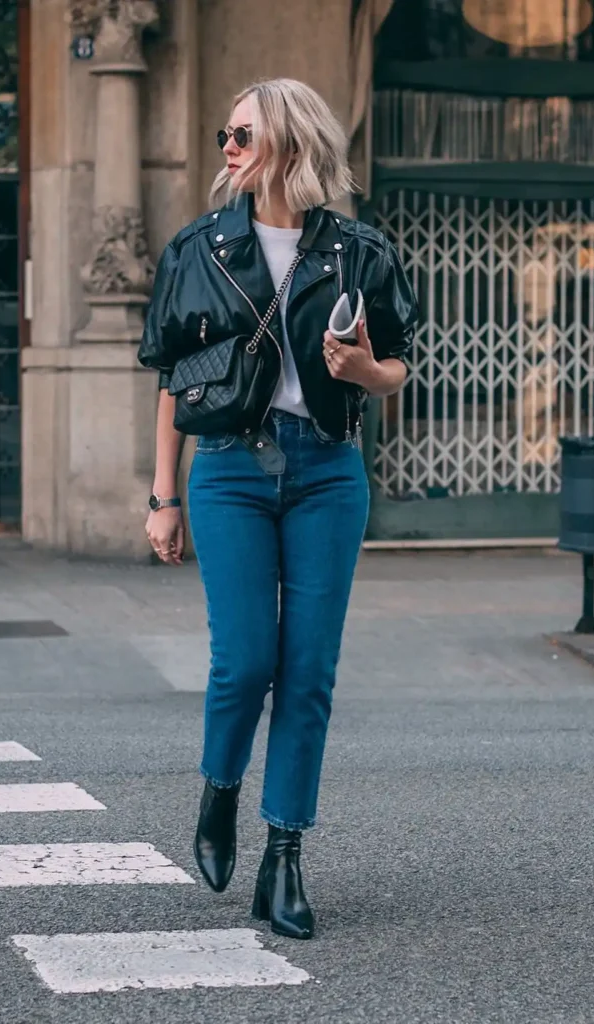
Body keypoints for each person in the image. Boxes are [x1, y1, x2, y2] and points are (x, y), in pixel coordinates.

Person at [139, 78, 417, 940]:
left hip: (327, 471)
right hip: (227, 470)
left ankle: (284, 856)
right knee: (245, 662)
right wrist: (162, 497)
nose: (226, 145)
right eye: (224, 132)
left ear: (289, 142)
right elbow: (172, 380)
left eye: (241, 132)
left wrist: (361, 372)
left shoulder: (358, 252)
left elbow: (397, 368)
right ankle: (221, 790)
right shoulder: (200, 248)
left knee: (308, 675)